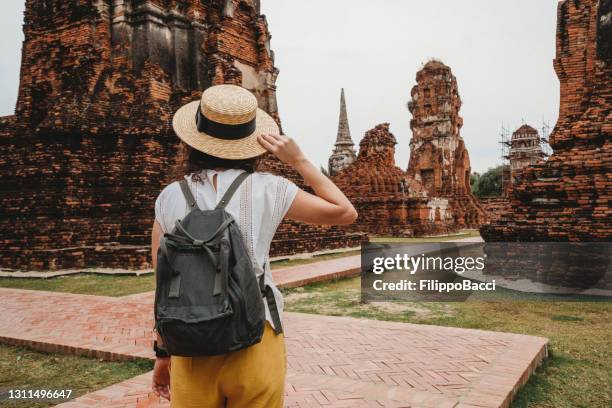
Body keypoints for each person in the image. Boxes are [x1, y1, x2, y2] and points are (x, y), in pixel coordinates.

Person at [150, 84, 357, 407]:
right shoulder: (269, 188)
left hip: (190, 341)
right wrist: (299, 159)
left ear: (195, 139)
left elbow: (162, 283)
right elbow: (345, 212)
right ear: (250, 141)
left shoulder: (169, 197)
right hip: (256, 334)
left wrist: (162, 352)